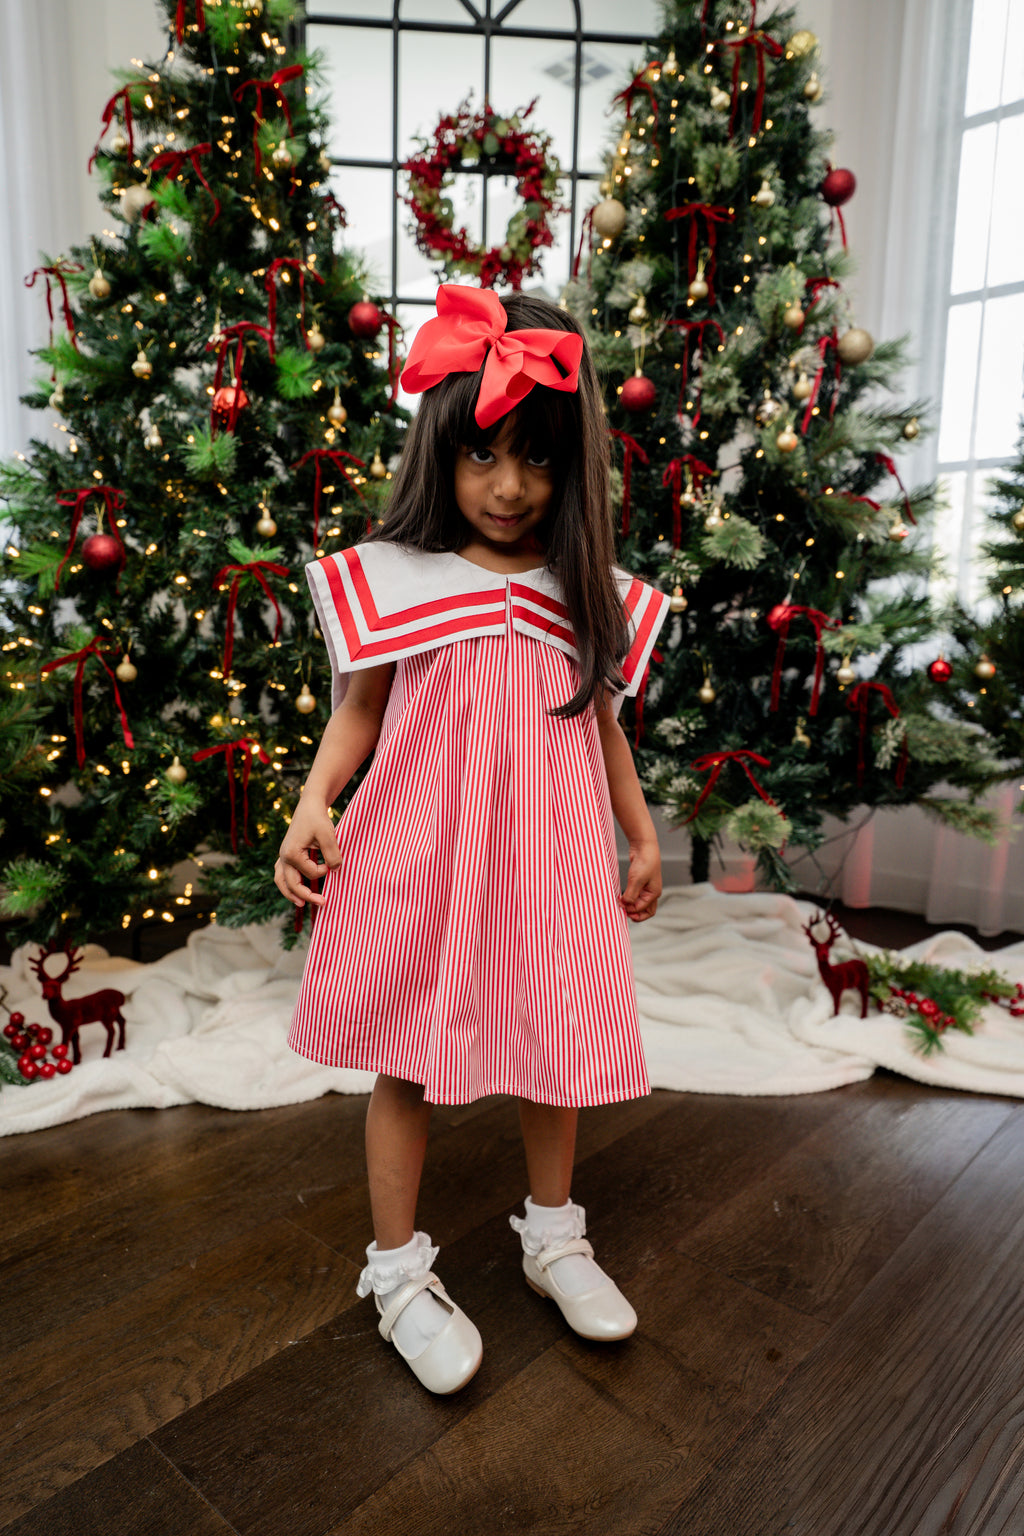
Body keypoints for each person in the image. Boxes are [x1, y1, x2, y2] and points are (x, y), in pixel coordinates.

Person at [275, 284, 669, 1395]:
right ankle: (397, 1270)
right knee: (407, 1057)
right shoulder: (399, 584)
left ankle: (554, 1236)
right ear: (439, 454)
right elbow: (359, 709)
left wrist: (637, 834)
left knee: (554, 1043)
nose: (508, 487)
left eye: (537, 460)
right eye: (484, 456)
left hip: (545, 864)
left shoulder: (576, 592)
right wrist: (314, 806)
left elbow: (601, 725)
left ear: (569, 471)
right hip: (420, 856)